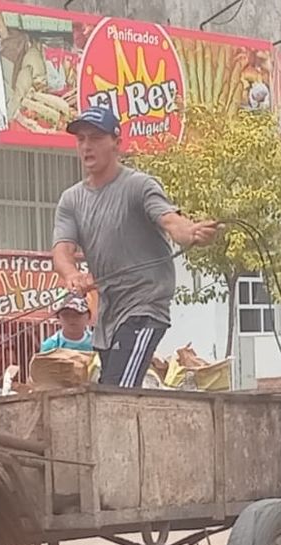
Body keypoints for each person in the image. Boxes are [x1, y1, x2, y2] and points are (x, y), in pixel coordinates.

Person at [50, 105, 220, 387]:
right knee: (107, 390)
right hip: (109, 314)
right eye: (81, 139)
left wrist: (191, 232)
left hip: (144, 307)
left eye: (95, 138)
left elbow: (170, 221)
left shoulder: (139, 186)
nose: (86, 146)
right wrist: (71, 275)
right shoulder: (72, 200)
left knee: (117, 393)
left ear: (117, 143)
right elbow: (62, 251)